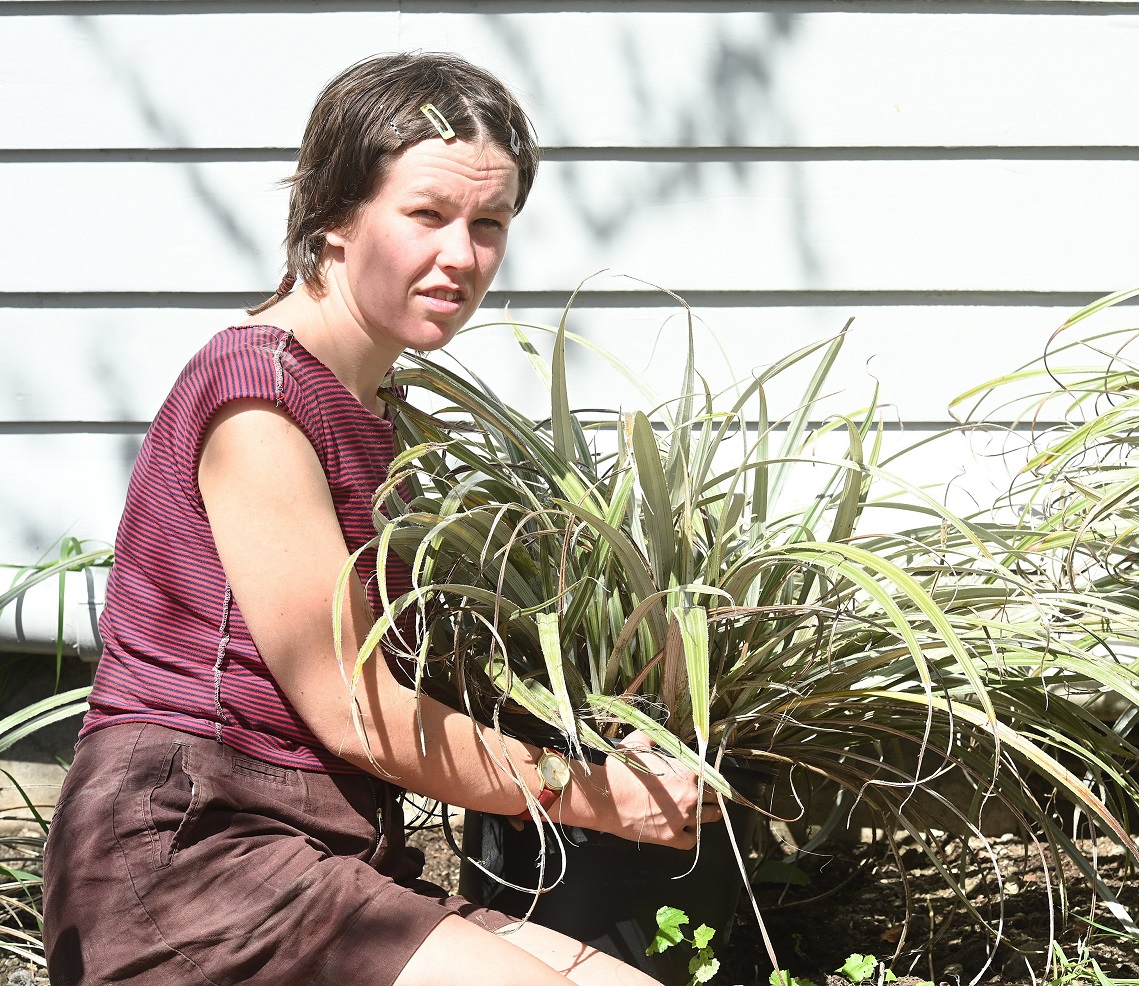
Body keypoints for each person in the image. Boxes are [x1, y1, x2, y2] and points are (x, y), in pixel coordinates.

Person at [42, 52, 717, 986]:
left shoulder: (374, 414)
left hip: (319, 844)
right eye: (427, 215)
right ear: (332, 220)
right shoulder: (260, 400)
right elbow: (356, 713)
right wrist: (596, 797)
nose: (462, 257)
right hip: (195, 849)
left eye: (489, 224)